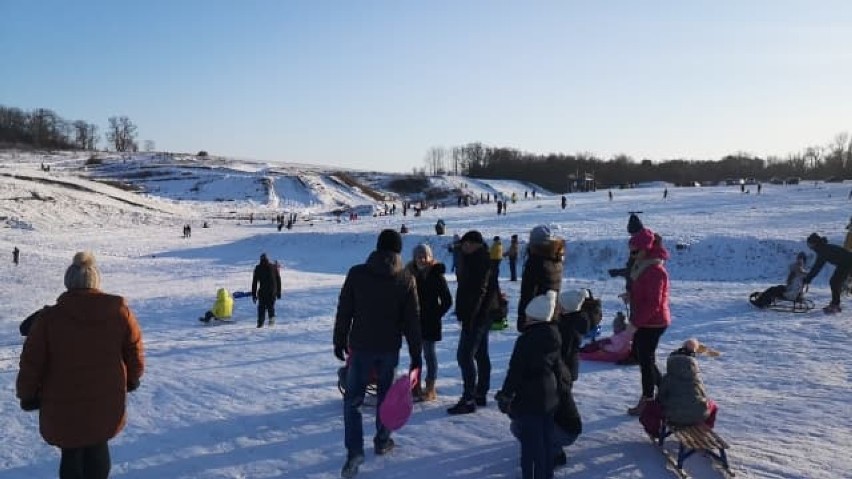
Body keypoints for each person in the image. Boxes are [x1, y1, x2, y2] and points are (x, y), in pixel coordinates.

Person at [16, 251, 144, 479]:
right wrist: (133, 378)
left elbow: (31, 362)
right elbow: (134, 349)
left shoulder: (48, 319)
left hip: (62, 400)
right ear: (96, 281)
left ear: (69, 282)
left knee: (71, 450)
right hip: (106, 397)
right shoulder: (119, 312)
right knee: (98, 443)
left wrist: (27, 395)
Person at [333, 229, 422, 478]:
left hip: (360, 347)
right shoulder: (406, 279)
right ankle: (382, 441)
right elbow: (413, 322)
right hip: (388, 350)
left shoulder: (357, 273)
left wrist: (339, 338)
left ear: (377, 247)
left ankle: (354, 452)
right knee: (386, 398)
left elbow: (345, 309)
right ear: (398, 251)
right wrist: (417, 355)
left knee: (353, 401)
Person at [495, 291, 572, 479]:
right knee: (545, 442)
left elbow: (515, 371)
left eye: (528, 315)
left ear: (534, 317)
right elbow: (558, 368)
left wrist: (505, 395)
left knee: (530, 445)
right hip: (549, 396)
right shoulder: (554, 334)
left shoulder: (526, 340)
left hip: (529, 399)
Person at [448, 230, 499, 415]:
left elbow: (479, 291)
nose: (464, 246)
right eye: (463, 244)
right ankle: (480, 393)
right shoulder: (473, 258)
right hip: (482, 314)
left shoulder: (480, 261)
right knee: (480, 353)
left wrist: (470, 317)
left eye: (467, 243)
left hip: (478, 315)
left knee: (465, 355)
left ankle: (469, 398)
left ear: (476, 244)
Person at [626, 227, 671, 416]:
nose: (632, 255)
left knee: (645, 360)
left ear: (645, 249)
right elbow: (645, 294)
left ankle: (647, 399)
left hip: (654, 323)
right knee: (642, 356)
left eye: (635, 251)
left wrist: (635, 324)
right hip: (647, 320)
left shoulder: (655, 270)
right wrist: (631, 296)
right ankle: (665, 391)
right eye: (631, 251)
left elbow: (654, 303)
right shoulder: (645, 265)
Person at [640, 339, 719, 439]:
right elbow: (703, 395)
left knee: (650, 408)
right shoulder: (696, 378)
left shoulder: (668, 378)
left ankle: (654, 432)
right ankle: (704, 430)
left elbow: (660, 398)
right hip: (699, 414)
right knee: (714, 406)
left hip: (674, 416)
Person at [406, 244, 452, 402]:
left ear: (431, 258)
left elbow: (447, 300)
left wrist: (436, 315)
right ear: (414, 258)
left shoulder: (436, 275)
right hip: (413, 323)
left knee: (429, 356)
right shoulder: (409, 275)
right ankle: (414, 387)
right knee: (415, 357)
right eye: (419, 256)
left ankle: (430, 388)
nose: (422, 259)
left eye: (425, 256)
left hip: (430, 323)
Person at [517, 225, 565, 332]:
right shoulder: (556, 260)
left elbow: (528, 294)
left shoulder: (536, 263)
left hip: (536, 317)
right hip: (552, 314)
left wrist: (522, 320)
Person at [803, 233, 852, 314]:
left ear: (814, 243)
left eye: (809, 244)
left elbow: (817, 267)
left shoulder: (823, 250)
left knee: (834, 282)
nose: (809, 246)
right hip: (845, 264)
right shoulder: (823, 248)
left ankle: (835, 305)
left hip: (847, 264)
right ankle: (835, 304)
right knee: (835, 282)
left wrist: (808, 279)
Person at [251, 253, 281, 328]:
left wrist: (254, 295)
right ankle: (271, 323)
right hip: (272, 291)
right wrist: (278, 292)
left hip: (263, 292)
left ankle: (260, 324)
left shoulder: (258, 268)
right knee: (270, 307)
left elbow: (254, 283)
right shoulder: (273, 267)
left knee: (261, 308)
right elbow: (278, 280)